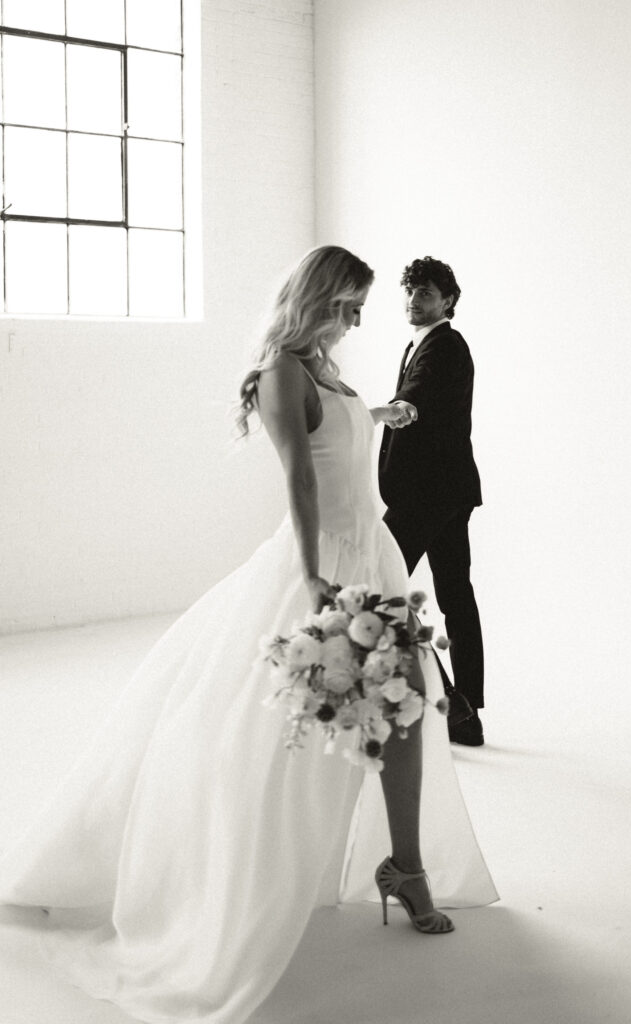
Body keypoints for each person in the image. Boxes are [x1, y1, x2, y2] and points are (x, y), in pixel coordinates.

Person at [0, 246, 497, 1024]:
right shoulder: (280, 372)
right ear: (319, 295)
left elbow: (334, 440)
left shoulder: (326, 370)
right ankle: (223, 876)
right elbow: (299, 475)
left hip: (376, 552)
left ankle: (406, 867)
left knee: (407, 706)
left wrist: (374, 415)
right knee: (267, 727)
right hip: (326, 562)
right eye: (350, 304)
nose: (360, 318)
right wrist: (314, 579)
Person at [379, 256, 486, 746]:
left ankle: (455, 705)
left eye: (424, 293)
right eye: (410, 292)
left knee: (378, 586)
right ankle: (465, 713)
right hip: (443, 492)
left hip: (428, 496)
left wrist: (385, 410)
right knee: (455, 597)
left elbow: (418, 397)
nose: (413, 301)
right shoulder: (422, 343)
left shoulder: (444, 345)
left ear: (448, 301)